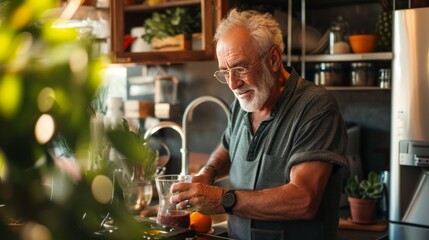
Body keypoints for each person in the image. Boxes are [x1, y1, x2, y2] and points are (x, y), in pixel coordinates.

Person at [171, 8, 348, 240]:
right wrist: (207, 173)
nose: (233, 84)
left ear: (273, 59)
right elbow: (227, 147)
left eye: (240, 68)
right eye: (225, 72)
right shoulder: (243, 102)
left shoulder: (316, 108)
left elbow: (304, 200)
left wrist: (222, 199)